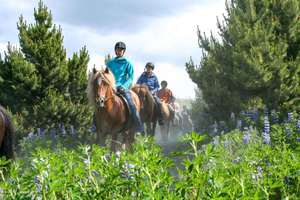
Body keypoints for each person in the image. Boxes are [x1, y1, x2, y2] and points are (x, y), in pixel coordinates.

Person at [89, 41, 144, 135]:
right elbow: (106, 75)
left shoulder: (128, 64)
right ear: (115, 51)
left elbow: (131, 77)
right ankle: (95, 126)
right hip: (110, 88)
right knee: (98, 103)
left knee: (131, 104)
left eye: (121, 50)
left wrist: (124, 86)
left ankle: (138, 127)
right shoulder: (110, 63)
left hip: (123, 88)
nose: (119, 51)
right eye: (118, 49)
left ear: (124, 51)